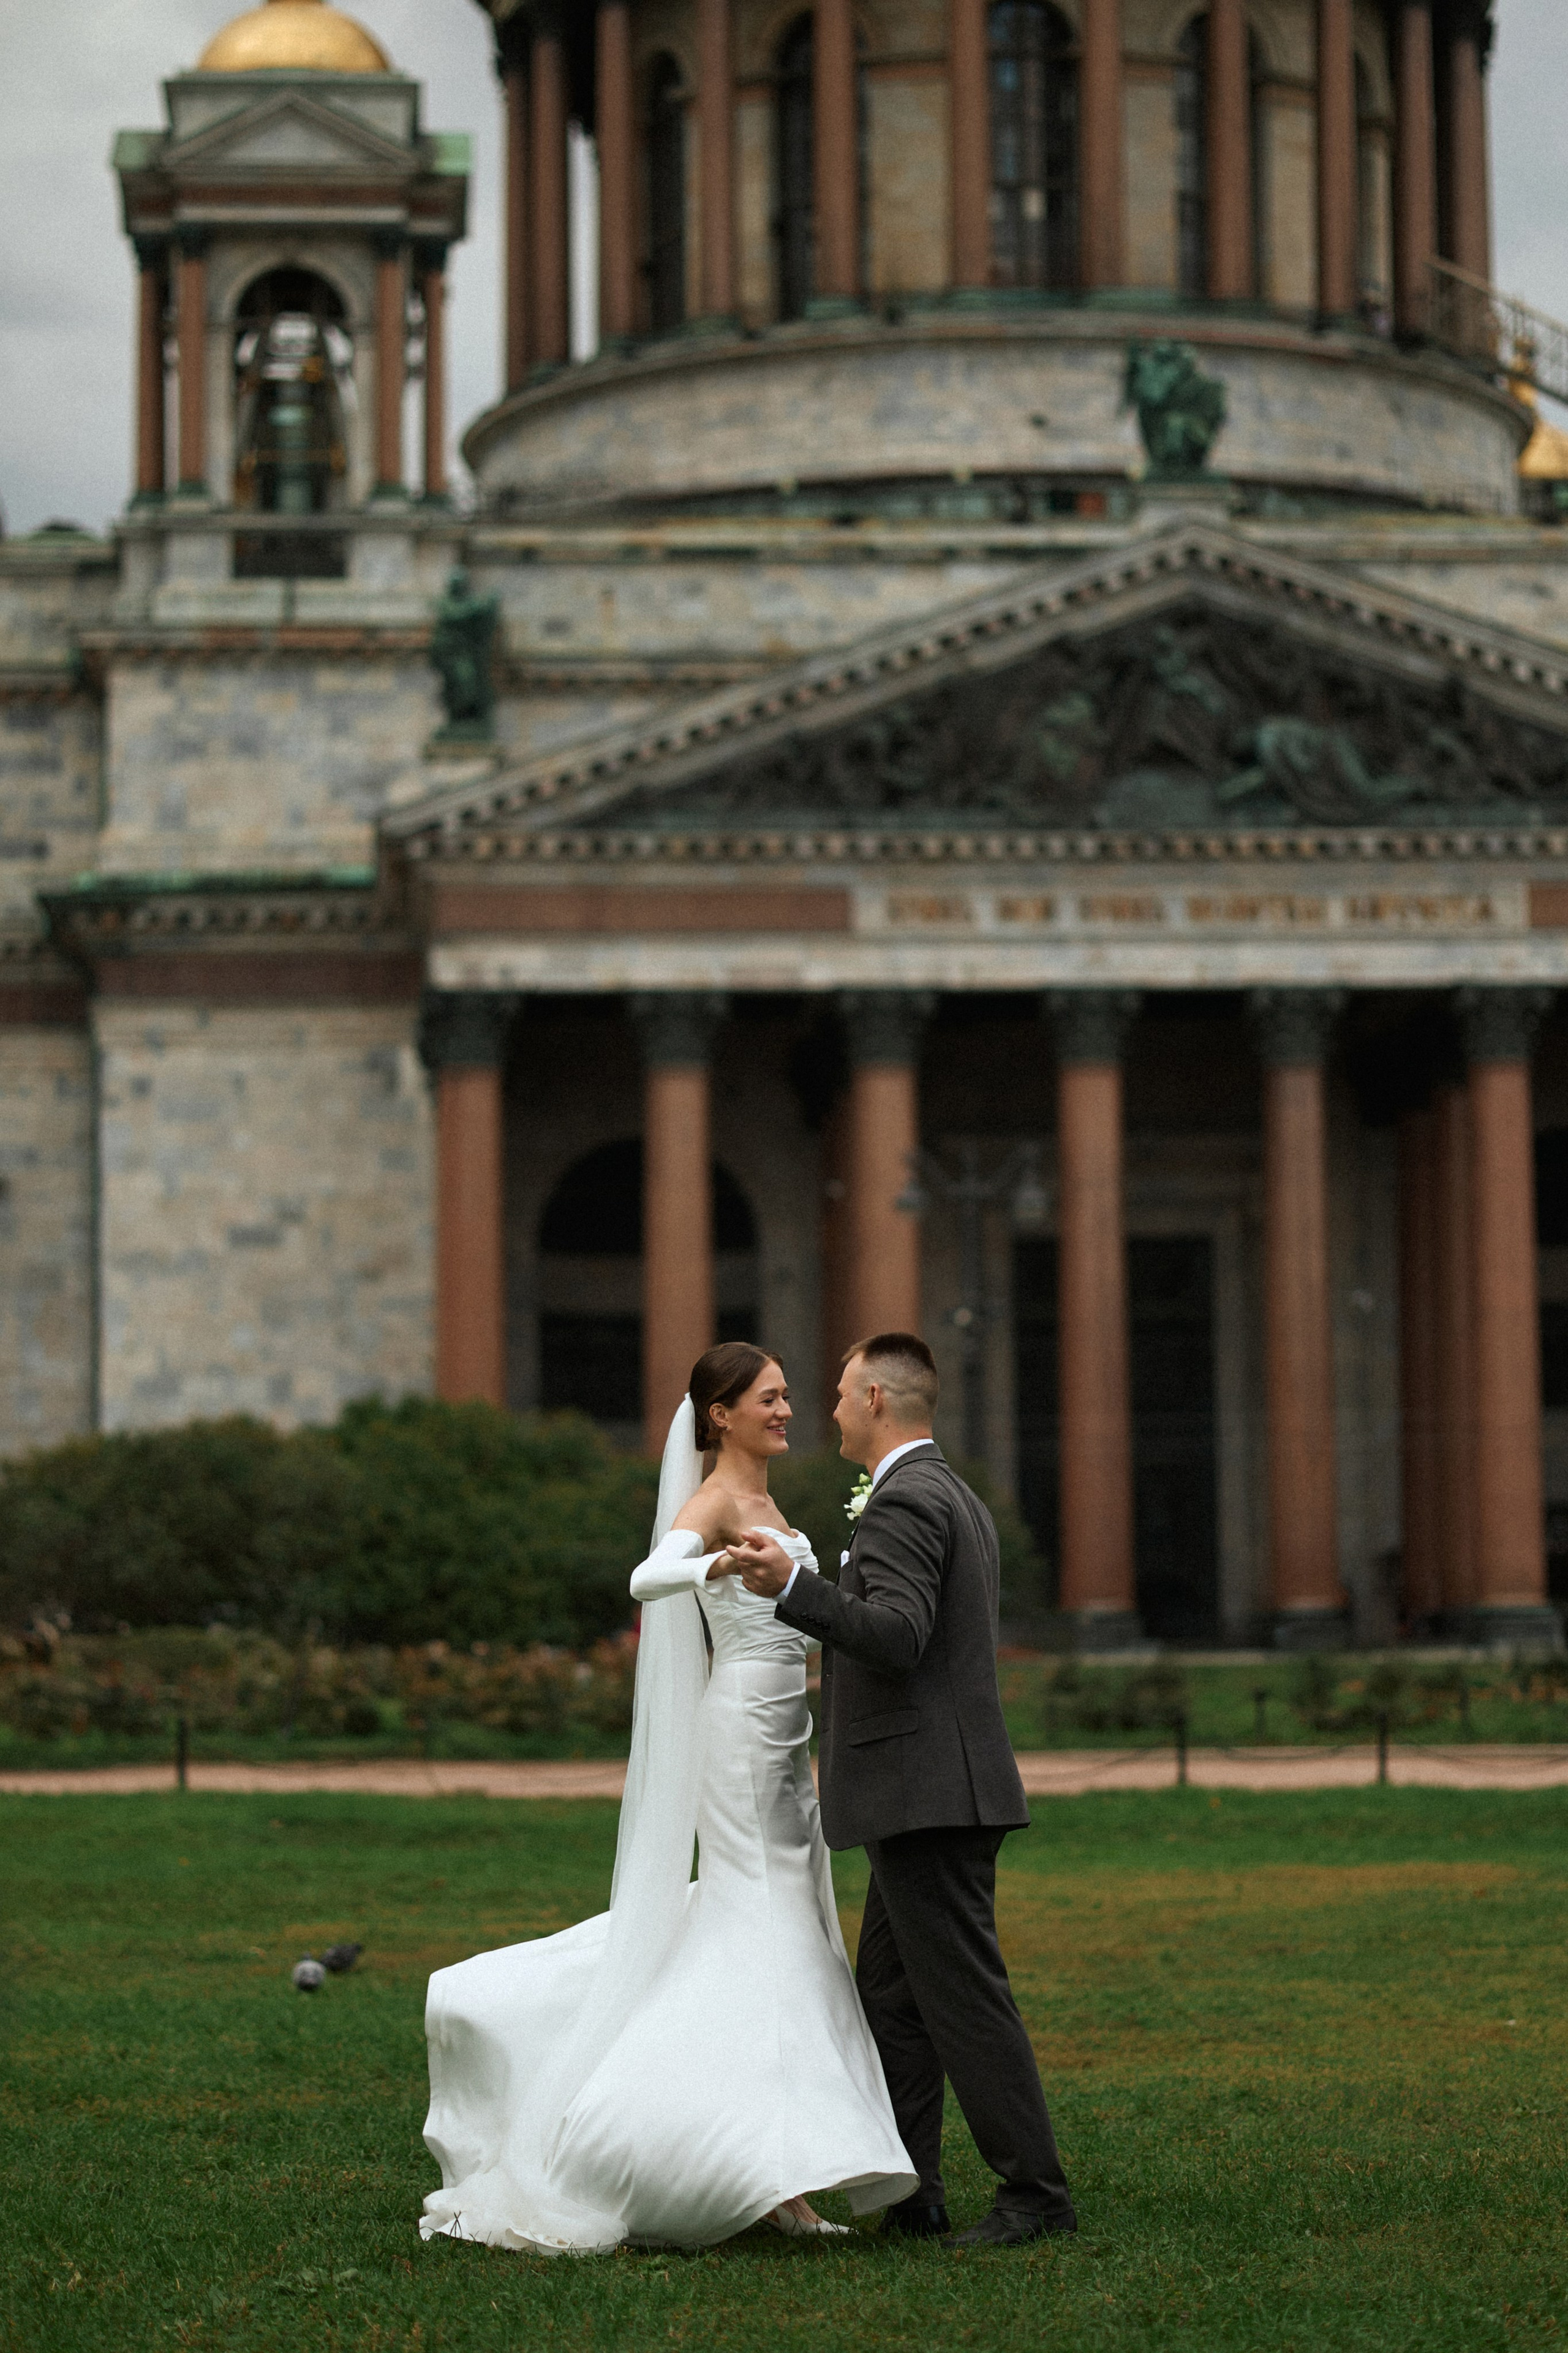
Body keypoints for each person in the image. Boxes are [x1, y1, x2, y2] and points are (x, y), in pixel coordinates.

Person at [418, 1342, 917, 2255]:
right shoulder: (719, 1498)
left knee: (791, 1915)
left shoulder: (768, 1500)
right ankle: (771, 2173)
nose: (788, 1410)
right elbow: (648, 1576)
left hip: (784, 1732)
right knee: (766, 1922)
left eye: (788, 1397)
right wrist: (711, 1571)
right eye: (768, 1398)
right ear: (719, 1415)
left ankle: (782, 2168)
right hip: (736, 1734)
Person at [728, 1331, 1077, 2249]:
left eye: (841, 1391)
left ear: (878, 1400)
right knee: (893, 1995)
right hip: (927, 1791)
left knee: (963, 1998)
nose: (829, 1407)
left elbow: (898, 1634)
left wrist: (794, 1587)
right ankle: (912, 2193)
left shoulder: (907, 1501)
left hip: (930, 1794)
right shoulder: (945, 1491)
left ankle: (1035, 2194)